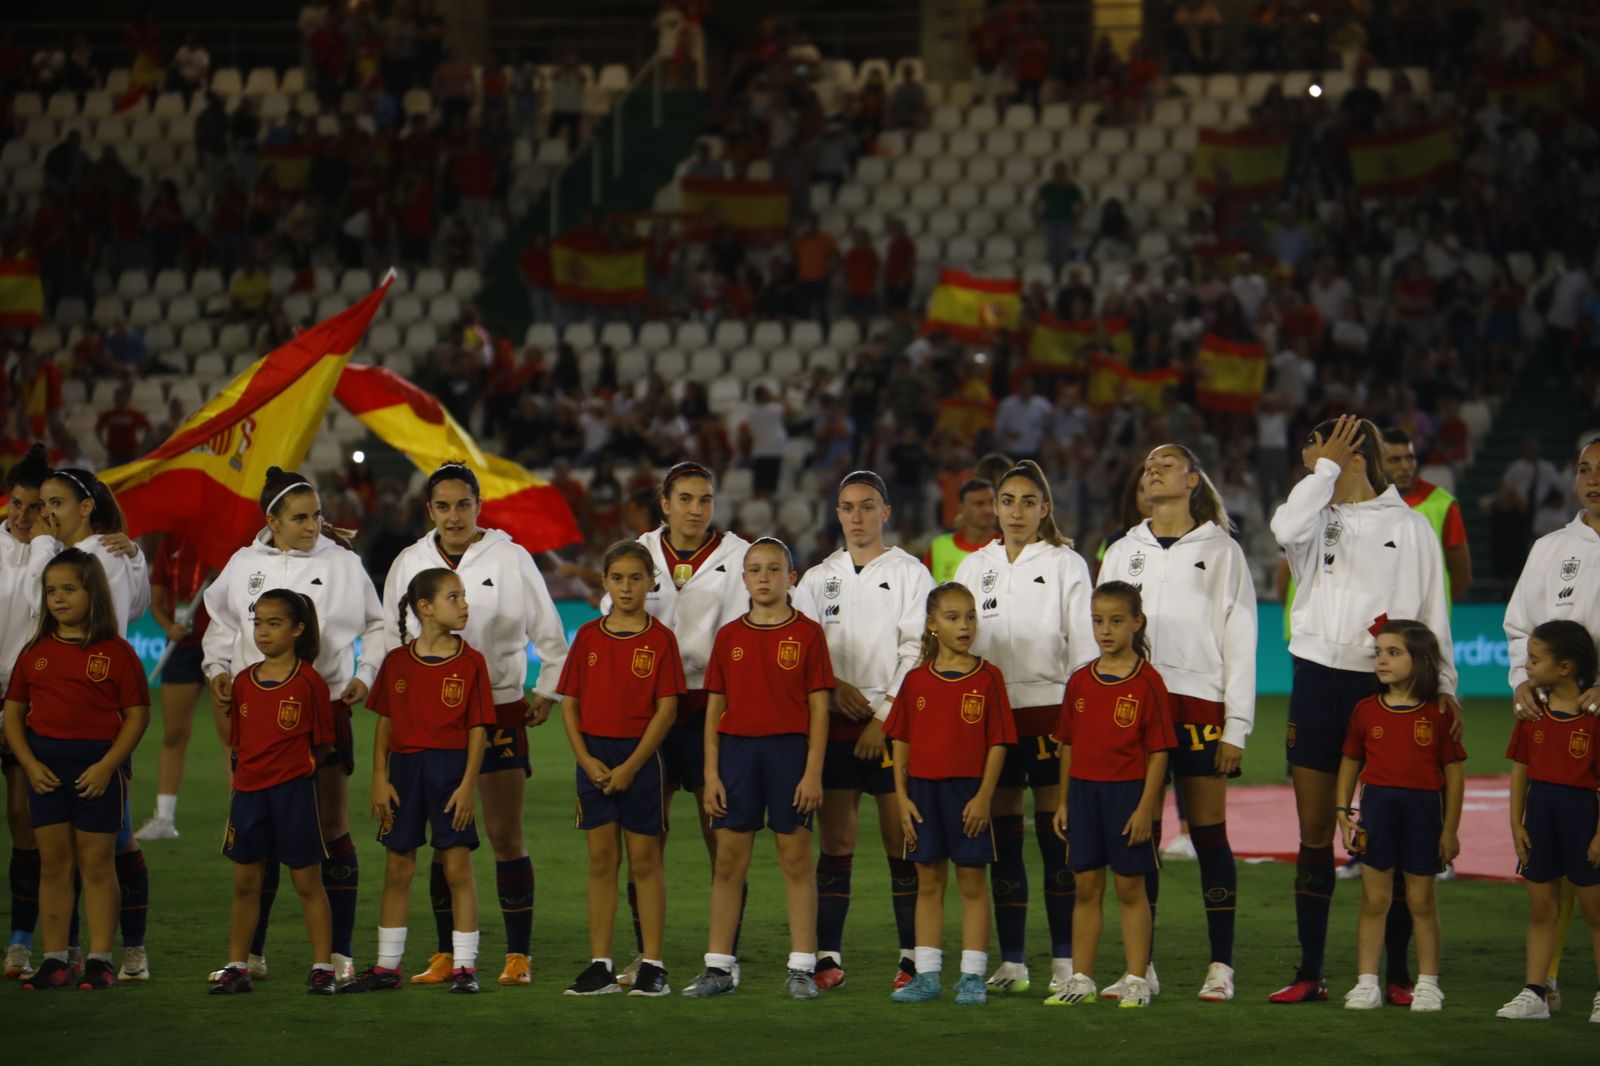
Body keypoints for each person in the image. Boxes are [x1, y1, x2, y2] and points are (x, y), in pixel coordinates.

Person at [1268, 415, 1457, 1006]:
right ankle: (1310, 971)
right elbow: (1282, 526)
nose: (1306, 454)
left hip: (1390, 691)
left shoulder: (1409, 526)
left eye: (1316, 444)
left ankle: (1397, 976)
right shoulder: (1312, 516)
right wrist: (1326, 469)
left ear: (1351, 451)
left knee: (1394, 835)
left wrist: (1444, 682)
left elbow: (1433, 609)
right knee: (1315, 831)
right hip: (1318, 680)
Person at [380, 462, 568, 988]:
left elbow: (549, 629)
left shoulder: (510, 557)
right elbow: (388, 635)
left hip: (501, 705)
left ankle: (518, 954)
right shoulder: (409, 561)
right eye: (443, 506)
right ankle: (446, 954)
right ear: (429, 510)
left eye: (463, 504)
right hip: (429, 720)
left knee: (506, 834)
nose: (454, 515)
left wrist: (548, 685)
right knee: (445, 840)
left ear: (479, 506)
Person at [204, 467, 387, 984]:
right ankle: (251, 955)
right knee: (257, 836)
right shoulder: (243, 564)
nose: (313, 526)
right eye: (301, 517)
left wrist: (365, 673)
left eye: (317, 515)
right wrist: (216, 669)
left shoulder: (344, 564)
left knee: (330, 829)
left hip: (323, 706)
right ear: (273, 521)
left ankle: (339, 954)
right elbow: (219, 623)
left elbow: (377, 625)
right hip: (256, 715)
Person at [1098, 444, 1256, 1002]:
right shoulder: (1122, 550)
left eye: (1167, 463)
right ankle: (1144, 968)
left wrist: (1236, 726)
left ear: (1193, 479)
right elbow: (1100, 632)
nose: (1154, 468)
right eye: (1148, 464)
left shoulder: (1222, 550)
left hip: (1199, 705)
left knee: (1209, 834)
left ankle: (1221, 966)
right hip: (1132, 703)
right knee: (1141, 834)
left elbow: (1241, 639)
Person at [952, 461, 1094, 995]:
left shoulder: (1066, 564)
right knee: (1003, 841)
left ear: (1044, 508)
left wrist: (1078, 721)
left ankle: (1063, 960)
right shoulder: (974, 567)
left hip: (1051, 713)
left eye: (1026, 501)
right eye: (1006, 500)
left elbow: (1083, 653)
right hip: (992, 716)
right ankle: (1013, 961)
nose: (1014, 511)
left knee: (1056, 836)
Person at [608, 462, 751, 987]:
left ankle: (724, 959)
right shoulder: (637, 555)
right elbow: (613, 623)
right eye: (685, 499)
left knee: (723, 837)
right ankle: (645, 955)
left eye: (705, 499)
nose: (696, 509)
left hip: (717, 710)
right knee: (647, 840)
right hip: (652, 714)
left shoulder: (738, 556)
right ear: (664, 502)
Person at [794, 471, 934, 990]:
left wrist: (884, 716)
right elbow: (805, 651)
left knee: (902, 839)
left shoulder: (910, 573)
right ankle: (827, 957)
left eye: (867, 507)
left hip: (893, 728)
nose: (857, 517)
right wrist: (831, 688)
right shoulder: (816, 578)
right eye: (848, 508)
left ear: (886, 513)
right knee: (837, 841)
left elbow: (917, 649)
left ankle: (911, 958)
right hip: (832, 728)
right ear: (837, 514)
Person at [681, 538, 833, 1000]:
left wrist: (812, 772)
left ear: (792, 578)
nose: (763, 577)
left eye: (773, 569)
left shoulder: (807, 634)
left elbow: (820, 710)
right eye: (754, 569)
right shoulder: (729, 636)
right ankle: (719, 967)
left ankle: (802, 967)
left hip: (789, 755)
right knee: (728, 862)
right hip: (737, 756)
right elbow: (713, 711)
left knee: (795, 859)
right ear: (743, 578)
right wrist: (711, 773)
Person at [341, 569, 494, 995]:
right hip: (404, 775)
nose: (464, 604)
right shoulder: (396, 662)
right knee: (397, 868)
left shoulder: (471, 662)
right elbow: (385, 724)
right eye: (454, 597)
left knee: (457, 869)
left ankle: (465, 968)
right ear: (425, 607)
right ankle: (388, 967)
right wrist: (377, 777)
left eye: (464, 596)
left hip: (450, 774)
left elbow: (477, 731)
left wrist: (468, 786)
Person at [5, 549, 150, 990]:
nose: (58, 599)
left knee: (98, 864)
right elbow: (13, 715)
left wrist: (108, 766)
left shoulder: (118, 653)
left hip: (96, 774)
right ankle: (54, 959)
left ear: (94, 594)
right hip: (45, 771)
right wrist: (29, 764)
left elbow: (137, 716)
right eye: (51, 591)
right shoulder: (35, 653)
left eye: (69, 589)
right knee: (53, 864)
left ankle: (101, 959)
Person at [37, 466, 152, 980]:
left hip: (99, 712)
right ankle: (78, 952)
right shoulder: (75, 555)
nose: (47, 513)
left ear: (87, 507)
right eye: (45, 504)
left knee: (111, 842)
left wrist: (136, 556)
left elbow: (124, 618)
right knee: (73, 846)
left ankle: (124, 952)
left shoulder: (101, 557)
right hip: (60, 711)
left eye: (57, 503)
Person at [557, 541, 685, 998]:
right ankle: (600, 965)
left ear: (652, 582)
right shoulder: (589, 637)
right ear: (605, 582)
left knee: (645, 862)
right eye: (617, 578)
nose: (626, 587)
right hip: (593, 758)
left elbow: (667, 710)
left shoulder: (660, 639)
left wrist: (632, 765)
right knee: (601, 861)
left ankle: (652, 964)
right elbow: (569, 704)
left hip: (641, 760)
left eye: (636, 578)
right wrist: (586, 759)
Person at [1045, 581, 1175, 1007]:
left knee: (1130, 889)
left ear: (1137, 623)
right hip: (1083, 796)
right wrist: (1063, 800)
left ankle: (1137, 979)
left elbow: (1158, 753)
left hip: (1126, 799)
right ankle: (1081, 978)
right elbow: (1068, 745)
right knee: (1085, 888)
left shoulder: (1148, 682)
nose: (1106, 630)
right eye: (1098, 621)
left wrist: (1145, 809)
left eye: (1116, 621)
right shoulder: (1080, 681)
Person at [1503, 437, 1600, 1010]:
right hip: (1562, 722)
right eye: (1585, 469)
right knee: (1556, 870)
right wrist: (1523, 677)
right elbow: (1521, 627)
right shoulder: (1551, 548)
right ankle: (1545, 985)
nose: (1592, 479)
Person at [886, 582, 1015, 1005]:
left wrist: (983, 797)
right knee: (927, 881)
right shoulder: (916, 680)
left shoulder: (989, 677)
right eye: (953, 617)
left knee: (973, 881)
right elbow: (900, 740)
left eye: (971, 616)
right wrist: (901, 797)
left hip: (967, 793)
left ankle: (973, 976)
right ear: (931, 624)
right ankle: (926, 976)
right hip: (922, 792)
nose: (965, 625)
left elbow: (998, 742)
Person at [209, 590, 338, 996]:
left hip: (293, 795)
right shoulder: (244, 681)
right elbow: (238, 743)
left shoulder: (310, 682)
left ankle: (322, 968)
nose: (263, 632)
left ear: (298, 629)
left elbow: (323, 743)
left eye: (274, 623)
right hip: (248, 796)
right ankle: (237, 966)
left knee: (307, 883)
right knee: (246, 884)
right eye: (258, 623)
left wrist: (296, 771)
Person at [1334, 620, 1464, 1013]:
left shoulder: (1438, 713)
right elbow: (1351, 761)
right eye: (1379, 653)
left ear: (1421, 660)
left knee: (1421, 900)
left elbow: (1454, 774)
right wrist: (1343, 813)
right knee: (1374, 900)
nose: (1382, 661)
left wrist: (1451, 829)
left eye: (1393, 653)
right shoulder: (1365, 710)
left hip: (1424, 815)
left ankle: (1427, 984)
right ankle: (1366, 983)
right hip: (1377, 813)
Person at [1496, 621, 1600, 1022]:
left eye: (1535, 659)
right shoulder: (1531, 713)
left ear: (1565, 667)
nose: (1526, 666)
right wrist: (1516, 823)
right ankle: (1535, 993)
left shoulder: (1593, 718)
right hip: (1539, 815)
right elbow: (1521, 768)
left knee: (1595, 913)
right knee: (1541, 910)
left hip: (1583, 819)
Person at [1, 447, 62, 980]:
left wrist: (46, 540)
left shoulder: (58, 558)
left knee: (25, 821)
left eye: (35, 508)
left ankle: (21, 941)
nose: (22, 517)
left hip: (30, 706)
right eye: (16, 505)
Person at [134, 534, 220, 842]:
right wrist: (168, 626)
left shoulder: (229, 544)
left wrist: (222, 575)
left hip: (221, 646)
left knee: (232, 735)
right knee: (173, 734)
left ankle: (244, 815)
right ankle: (164, 818)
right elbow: (157, 603)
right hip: (182, 647)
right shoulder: (171, 544)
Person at [1380, 429, 1471, 600]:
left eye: (1410, 458)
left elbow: (1462, 575)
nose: (1406, 466)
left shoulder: (1442, 504)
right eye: (1395, 460)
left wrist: (1437, 608)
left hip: (1426, 623)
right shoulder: (1364, 503)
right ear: (1377, 463)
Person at [923, 477, 996, 584]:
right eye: (979, 504)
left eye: (991, 503)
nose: (988, 509)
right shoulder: (939, 546)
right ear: (961, 509)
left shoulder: (1007, 547)